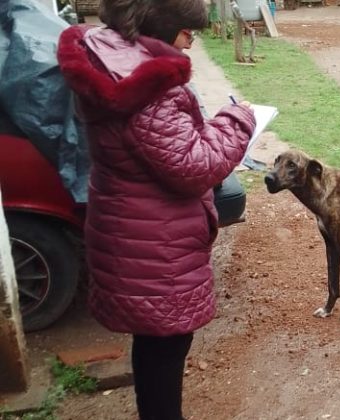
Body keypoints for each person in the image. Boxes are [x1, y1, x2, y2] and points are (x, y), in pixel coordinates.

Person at [56, 0, 256, 419]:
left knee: (153, 342)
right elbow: (193, 166)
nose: (191, 41)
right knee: (166, 343)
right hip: (155, 243)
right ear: (160, 25)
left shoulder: (107, 60)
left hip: (126, 227)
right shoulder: (150, 87)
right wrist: (238, 120)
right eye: (187, 31)